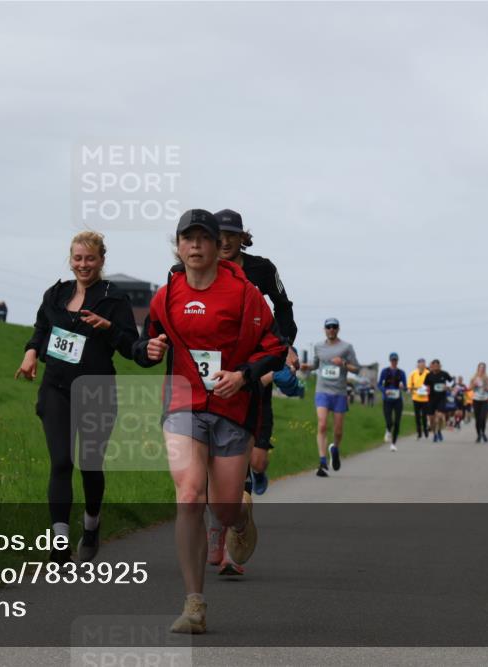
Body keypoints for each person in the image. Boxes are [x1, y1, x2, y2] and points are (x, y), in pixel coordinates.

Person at [133, 209, 287, 634]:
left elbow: (273, 346)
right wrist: (147, 349)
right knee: (188, 495)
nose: (196, 245)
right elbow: (147, 339)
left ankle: (239, 518)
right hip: (183, 405)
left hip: (232, 409)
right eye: (189, 238)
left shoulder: (244, 294)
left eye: (204, 238)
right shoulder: (166, 296)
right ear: (178, 245)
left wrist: (243, 376)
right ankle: (194, 603)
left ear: (219, 246)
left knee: (222, 506)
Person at [16, 231, 138, 563]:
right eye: (78, 258)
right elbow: (41, 330)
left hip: (96, 391)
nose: (83, 264)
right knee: (60, 462)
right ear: (70, 260)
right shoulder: (56, 294)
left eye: (90, 258)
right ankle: (59, 544)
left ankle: (92, 524)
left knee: (90, 464)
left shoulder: (114, 298)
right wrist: (30, 354)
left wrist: (108, 327)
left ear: (101, 260)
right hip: (56, 388)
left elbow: (130, 345)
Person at [215, 208, 298, 498]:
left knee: (256, 455)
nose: (225, 242)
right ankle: (236, 491)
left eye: (232, 236)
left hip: (254, 362)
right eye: (220, 235)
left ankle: (252, 475)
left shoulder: (262, 269)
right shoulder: (201, 268)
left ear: (242, 238)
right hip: (218, 362)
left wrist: (284, 346)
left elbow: (283, 306)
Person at [299, 318, 360, 477]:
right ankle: (322, 461)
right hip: (322, 390)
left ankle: (335, 448)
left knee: (338, 430)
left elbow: (357, 370)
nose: (331, 329)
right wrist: (308, 367)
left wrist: (344, 364)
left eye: (334, 327)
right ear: (324, 329)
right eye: (328, 327)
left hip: (339, 392)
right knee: (322, 424)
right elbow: (316, 365)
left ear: (338, 329)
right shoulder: (319, 346)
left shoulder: (346, 347)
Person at [378, 352, 407, 451]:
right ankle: (388, 430)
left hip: (398, 400)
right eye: (392, 360)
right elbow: (379, 384)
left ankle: (393, 444)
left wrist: (403, 387)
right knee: (389, 421)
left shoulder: (401, 373)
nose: (394, 362)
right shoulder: (384, 371)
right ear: (390, 360)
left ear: (397, 361)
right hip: (387, 399)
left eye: (395, 360)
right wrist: (384, 391)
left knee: (397, 422)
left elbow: (406, 387)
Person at [423, 359, 454, 442]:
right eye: (434, 366)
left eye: (437, 365)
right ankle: (435, 434)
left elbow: (452, 382)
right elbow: (425, 386)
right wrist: (426, 389)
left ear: (440, 366)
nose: (436, 367)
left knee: (440, 416)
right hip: (431, 399)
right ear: (432, 366)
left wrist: (448, 387)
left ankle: (439, 430)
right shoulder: (428, 375)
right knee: (431, 419)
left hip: (441, 398)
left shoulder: (444, 374)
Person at [469, 362, 488, 442]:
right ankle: (478, 435)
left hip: (485, 399)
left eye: (483, 367)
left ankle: (483, 432)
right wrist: (474, 385)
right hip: (476, 399)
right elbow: (469, 388)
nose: (482, 369)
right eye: (480, 367)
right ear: (478, 368)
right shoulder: (473, 378)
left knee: (483, 418)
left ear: (485, 369)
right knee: (477, 419)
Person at [408, 358, 431, 439]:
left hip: (425, 398)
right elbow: (410, 386)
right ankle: (419, 432)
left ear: (425, 365)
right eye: (420, 363)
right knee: (417, 416)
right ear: (417, 365)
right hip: (416, 398)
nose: (422, 365)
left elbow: (431, 384)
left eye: (423, 364)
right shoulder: (413, 373)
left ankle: (425, 430)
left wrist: (428, 389)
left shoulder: (428, 373)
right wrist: (413, 389)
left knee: (424, 416)